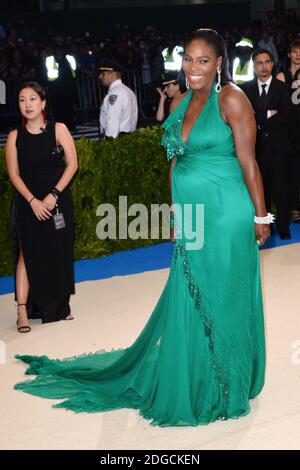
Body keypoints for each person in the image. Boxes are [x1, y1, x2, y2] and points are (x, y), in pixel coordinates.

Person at [14, 30, 270, 426]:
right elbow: (175, 162)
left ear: (219, 63)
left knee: (223, 294)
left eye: (203, 61)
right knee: (191, 293)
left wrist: (260, 215)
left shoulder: (231, 99)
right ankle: (201, 375)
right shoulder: (183, 101)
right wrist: (174, 211)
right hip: (191, 215)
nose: (193, 67)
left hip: (226, 213)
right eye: (187, 59)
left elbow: (249, 161)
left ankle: (228, 381)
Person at [5, 82, 78, 332]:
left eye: (32, 99)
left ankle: (60, 306)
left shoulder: (59, 130)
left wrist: (54, 194)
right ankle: (22, 311)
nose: (27, 104)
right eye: (22, 99)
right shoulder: (14, 137)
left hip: (57, 201)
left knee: (59, 250)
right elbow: (14, 175)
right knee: (27, 254)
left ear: (43, 103)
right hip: (28, 203)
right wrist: (33, 201)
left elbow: (72, 165)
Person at [241, 48, 291, 239]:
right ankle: (265, 227)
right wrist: (269, 113)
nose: (264, 66)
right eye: (260, 63)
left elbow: (285, 116)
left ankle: (284, 228)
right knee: (262, 190)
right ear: (254, 66)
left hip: (279, 148)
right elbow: (247, 118)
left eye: (267, 62)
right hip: (256, 149)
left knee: (281, 189)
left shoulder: (283, 88)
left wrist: (259, 118)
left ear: (272, 64)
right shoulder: (245, 89)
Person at [276, 38, 300, 222]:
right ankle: (291, 208)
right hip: (286, 130)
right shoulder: (281, 76)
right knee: (288, 171)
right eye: (294, 51)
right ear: (289, 54)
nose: (298, 54)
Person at [99, 60, 138, 138]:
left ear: (111, 74)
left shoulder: (115, 94)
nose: (100, 77)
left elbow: (113, 124)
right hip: (130, 138)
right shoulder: (128, 91)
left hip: (118, 141)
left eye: (103, 74)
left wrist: (108, 144)